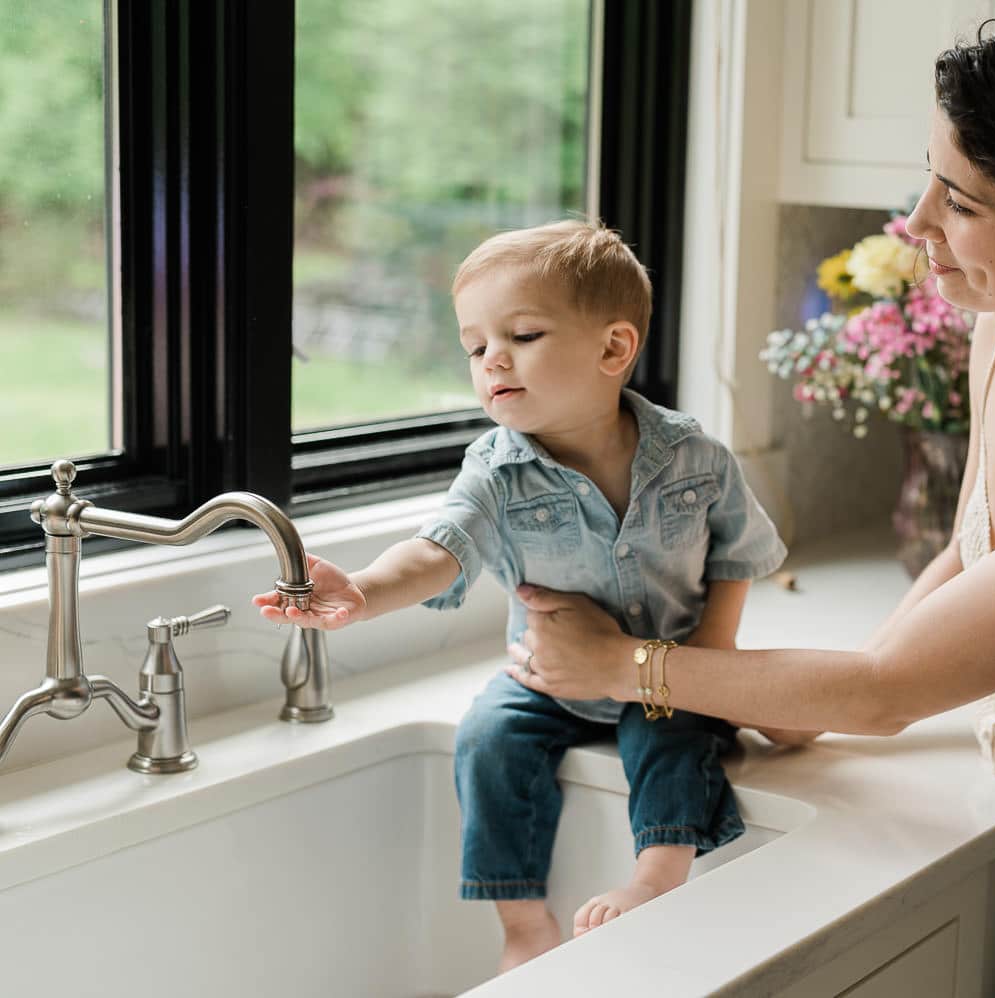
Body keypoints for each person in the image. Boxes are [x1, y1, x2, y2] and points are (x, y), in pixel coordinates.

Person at [502, 13, 995, 996]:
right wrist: (813, 706)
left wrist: (622, 663)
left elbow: (886, 690)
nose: (918, 221)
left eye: (963, 201)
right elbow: (978, 559)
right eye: (929, 176)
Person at [254, 219, 809, 973]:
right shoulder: (495, 469)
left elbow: (738, 555)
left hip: (664, 673)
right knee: (487, 735)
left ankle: (657, 877)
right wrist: (360, 589)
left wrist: (714, 655)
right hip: (546, 681)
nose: (493, 361)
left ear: (614, 349)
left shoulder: (694, 456)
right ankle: (521, 921)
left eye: (522, 334)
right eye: (476, 347)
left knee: (670, 736)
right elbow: (437, 548)